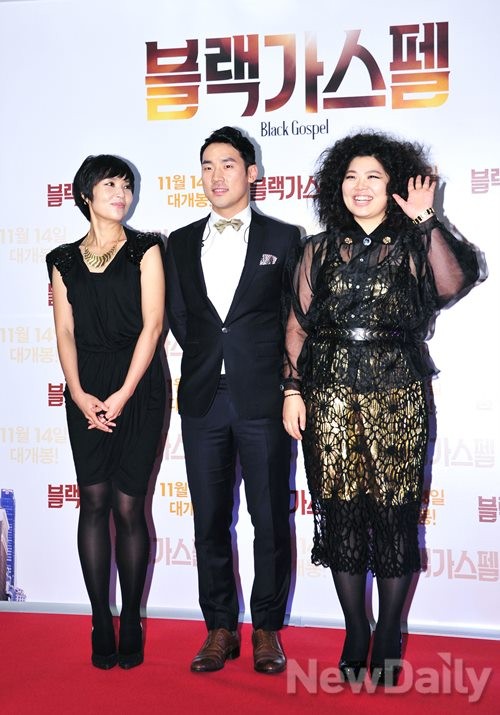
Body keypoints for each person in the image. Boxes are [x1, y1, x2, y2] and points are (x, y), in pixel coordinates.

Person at [282, 130, 484, 686]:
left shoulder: (414, 244)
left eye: (373, 175)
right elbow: (298, 325)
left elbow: (452, 283)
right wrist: (293, 390)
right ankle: (356, 629)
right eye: (350, 176)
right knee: (342, 514)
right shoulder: (317, 249)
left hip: (397, 393)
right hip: (328, 396)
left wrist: (426, 221)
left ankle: (390, 628)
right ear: (336, 187)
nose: (361, 186)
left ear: (393, 184)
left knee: (394, 517)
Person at [166, 126, 300, 674]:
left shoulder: (285, 238)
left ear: (251, 172)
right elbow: (180, 317)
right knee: (209, 521)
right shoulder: (178, 242)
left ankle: (266, 628)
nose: (216, 176)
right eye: (207, 166)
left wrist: (288, 384)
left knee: (269, 519)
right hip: (203, 398)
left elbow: (295, 318)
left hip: (263, 398)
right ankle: (220, 627)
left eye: (227, 164)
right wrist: (211, 356)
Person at [46, 154, 166, 670]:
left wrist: (123, 392)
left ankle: (132, 617)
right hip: (87, 385)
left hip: (138, 385)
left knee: (128, 506)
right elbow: (64, 330)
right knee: (93, 502)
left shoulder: (146, 248)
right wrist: (77, 392)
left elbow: (153, 325)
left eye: (127, 185)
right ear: (85, 195)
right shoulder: (62, 259)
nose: (121, 193)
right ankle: (100, 618)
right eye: (110, 184)